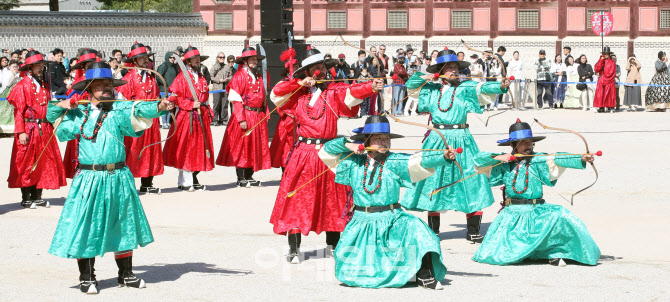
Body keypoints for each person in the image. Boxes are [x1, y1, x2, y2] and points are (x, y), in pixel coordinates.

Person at [47, 61, 174, 294]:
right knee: (86, 225)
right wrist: (66, 102)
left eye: (109, 84)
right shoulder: (79, 112)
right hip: (89, 176)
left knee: (122, 223)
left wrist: (160, 106)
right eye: (100, 84)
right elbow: (51, 115)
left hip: (118, 175)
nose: (106, 88)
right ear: (89, 89)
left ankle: (125, 274)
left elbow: (139, 109)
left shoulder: (119, 109)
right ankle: (87, 277)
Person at [269, 47, 381, 264]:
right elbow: (276, 93)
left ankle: (334, 244)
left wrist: (370, 86)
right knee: (297, 199)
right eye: (316, 69)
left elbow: (352, 93)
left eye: (323, 68)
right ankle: (294, 248)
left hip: (329, 152)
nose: (322, 72)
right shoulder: (297, 95)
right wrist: (298, 84)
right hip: (303, 153)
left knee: (335, 198)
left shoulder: (333, 93)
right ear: (308, 73)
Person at [318, 115, 455, 289]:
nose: (384, 142)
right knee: (350, 273)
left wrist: (443, 156)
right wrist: (348, 145)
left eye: (386, 139)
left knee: (419, 229)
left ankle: (424, 274)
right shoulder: (351, 161)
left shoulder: (395, 161)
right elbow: (326, 151)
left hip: (392, 218)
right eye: (378, 138)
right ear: (367, 140)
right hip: (362, 221)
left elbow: (421, 160)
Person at [401, 48, 510, 242]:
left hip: (462, 138)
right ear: (441, 70)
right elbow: (410, 84)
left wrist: (500, 86)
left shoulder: (465, 88)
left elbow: (483, 88)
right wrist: (429, 75)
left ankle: (473, 231)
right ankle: (434, 231)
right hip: (437, 139)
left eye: (456, 68)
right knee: (433, 181)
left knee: (472, 179)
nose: (454, 71)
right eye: (449, 68)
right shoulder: (431, 90)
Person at [472, 119, 600, 267]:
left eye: (530, 142)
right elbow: (476, 160)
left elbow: (559, 158)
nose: (529, 146)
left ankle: (555, 253)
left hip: (537, 210)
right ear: (513, 145)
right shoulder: (505, 164)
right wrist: (498, 157)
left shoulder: (539, 159)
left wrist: (582, 157)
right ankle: (531, 253)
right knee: (496, 255)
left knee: (561, 215)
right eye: (524, 142)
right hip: (512, 214)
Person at [7, 50, 67, 209]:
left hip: (44, 127)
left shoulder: (45, 85)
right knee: (26, 161)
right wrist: (20, 131)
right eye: (37, 66)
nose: (41, 68)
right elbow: (18, 111)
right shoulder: (22, 85)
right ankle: (26, 197)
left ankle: (37, 196)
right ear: (30, 68)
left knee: (42, 160)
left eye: (42, 65)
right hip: (29, 127)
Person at [217, 46, 271, 186]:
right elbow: (235, 99)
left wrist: (265, 113)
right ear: (245, 61)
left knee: (255, 146)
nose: (254, 62)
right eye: (252, 59)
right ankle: (241, 177)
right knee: (242, 147)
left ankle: (249, 175)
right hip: (245, 115)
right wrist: (241, 118)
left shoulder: (259, 77)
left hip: (258, 115)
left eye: (256, 59)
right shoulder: (239, 76)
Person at [164, 46, 215, 191]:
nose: (198, 61)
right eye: (195, 59)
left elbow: (204, 96)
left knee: (199, 147)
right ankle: (186, 181)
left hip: (201, 115)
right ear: (188, 62)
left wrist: (208, 109)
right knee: (187, 147)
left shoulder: (202, 76)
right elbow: (175, 97)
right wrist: (190, 104)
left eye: (199, 58)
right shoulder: (182, 77)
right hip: (187, 117)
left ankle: (187, 180)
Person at [117, 42, 164, 194]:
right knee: (133, 150)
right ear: (135, 61)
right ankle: (128, 185)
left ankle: (147, 183)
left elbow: (156, 96)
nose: (145, 61)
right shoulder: (128, 77)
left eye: (146, 57)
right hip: (135, 120)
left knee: (150, 150)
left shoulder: (151, 77)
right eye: (141, 58)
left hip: (152, 120)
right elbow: (122, 100)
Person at [61, 48, 101, 180]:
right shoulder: (79, 82)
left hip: (100, 120)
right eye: (89, 64)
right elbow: (71, 99)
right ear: (83, 67)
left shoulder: (101, 80)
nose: (92, 66)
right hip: (83, 121)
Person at [157, 51, 180, 129]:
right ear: (167, 57)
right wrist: (165, 82)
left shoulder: (174, 67)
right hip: (164, 90)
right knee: (164, 106)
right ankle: (164, 122)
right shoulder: (164, 66)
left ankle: (167, 122)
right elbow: (158, 76)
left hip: (171, 90)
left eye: (174, 58)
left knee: (170, 106)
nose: (172, 59)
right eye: (171, 57)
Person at [593, 47, 617, 113]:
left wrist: (605, 78)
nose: (606, 55)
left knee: (609, 94)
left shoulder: (612, 62)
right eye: (604, 54)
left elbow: (612, 72)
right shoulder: (601, 61)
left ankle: (610, 107)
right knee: (601, 94)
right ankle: (601, 107)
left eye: (607, 54)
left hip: (609, 80)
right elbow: (597, 69)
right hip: (601, 80)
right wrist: (601, 61)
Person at [0, 60, 19, 134]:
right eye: (13, 67)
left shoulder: (17, 74)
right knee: (6, 110)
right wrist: (13, 75)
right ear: (9, 67)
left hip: (16, 92)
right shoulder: (7, 73)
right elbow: (7, 84)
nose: (15, 68)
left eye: (16, 66)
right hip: (8, 92)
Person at [210, 52, 229, 126]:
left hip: (225, 89)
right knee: (216, 104)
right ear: (217, 58)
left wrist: (227, 79)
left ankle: (223, 119)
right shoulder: (214, 67)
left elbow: (230, 75)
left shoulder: (227, 67)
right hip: (217, 88)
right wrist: (219, 80)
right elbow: (211, 77)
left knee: (224, 104)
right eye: (220, 57)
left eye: (223, 57)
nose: (222, 58)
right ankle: (215, 120)